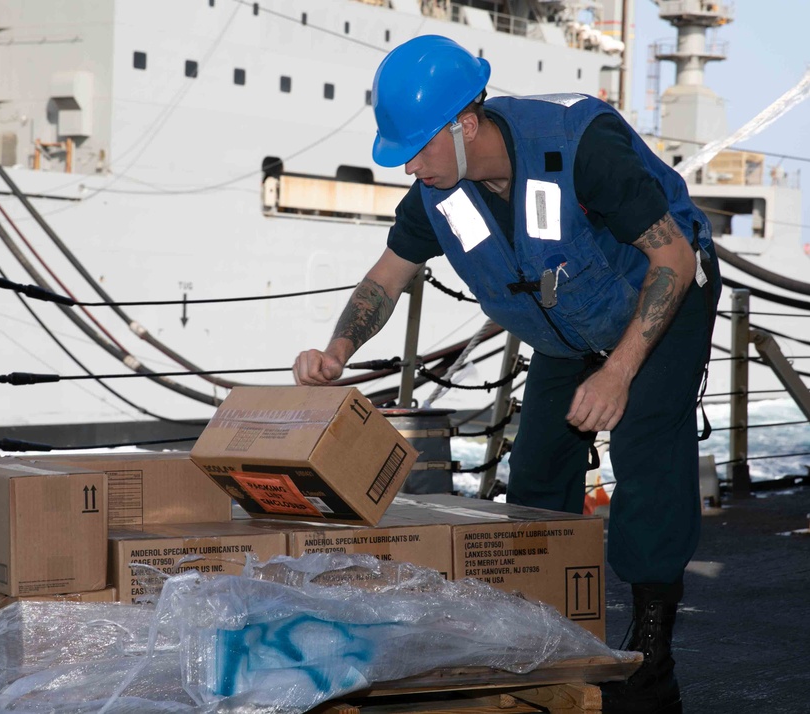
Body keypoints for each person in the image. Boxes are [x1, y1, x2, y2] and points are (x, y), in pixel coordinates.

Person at [292, 35, 721, 714]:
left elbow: (672, 256)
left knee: (646, 453)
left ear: (464, 124)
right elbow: (386, 278)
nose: (408, 164)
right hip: (569, 326)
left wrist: (616, 374)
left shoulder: (581, 147)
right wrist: (336, 352)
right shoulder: (437, 192)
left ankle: (651, 659)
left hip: (657, 300)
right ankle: (544, 633)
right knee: (536, 471)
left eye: (417, 146)